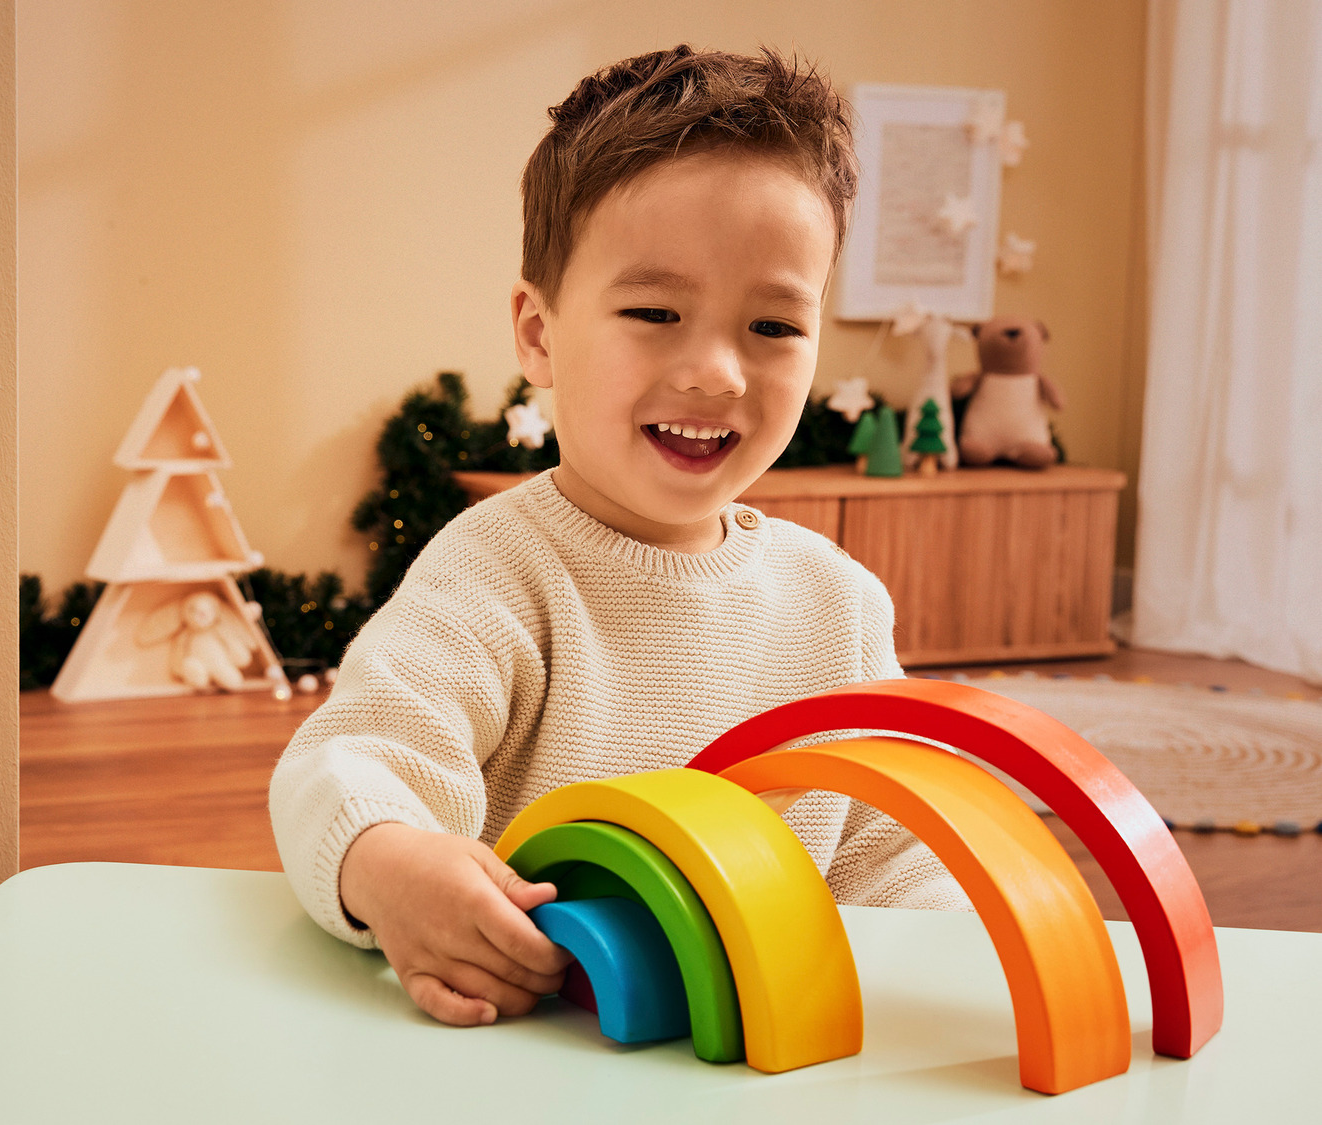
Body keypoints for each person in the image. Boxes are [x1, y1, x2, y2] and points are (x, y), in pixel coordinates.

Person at [270, 43, 969, 1031]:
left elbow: (896, 858)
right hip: (528, 1049)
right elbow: (352, 761)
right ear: (539, 334)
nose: (718, 371)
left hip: (757, 1060)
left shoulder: (839, 607)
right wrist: (386, 863)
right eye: (655, 311)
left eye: (774, 327)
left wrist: (949, 977)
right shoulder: (495, 572)